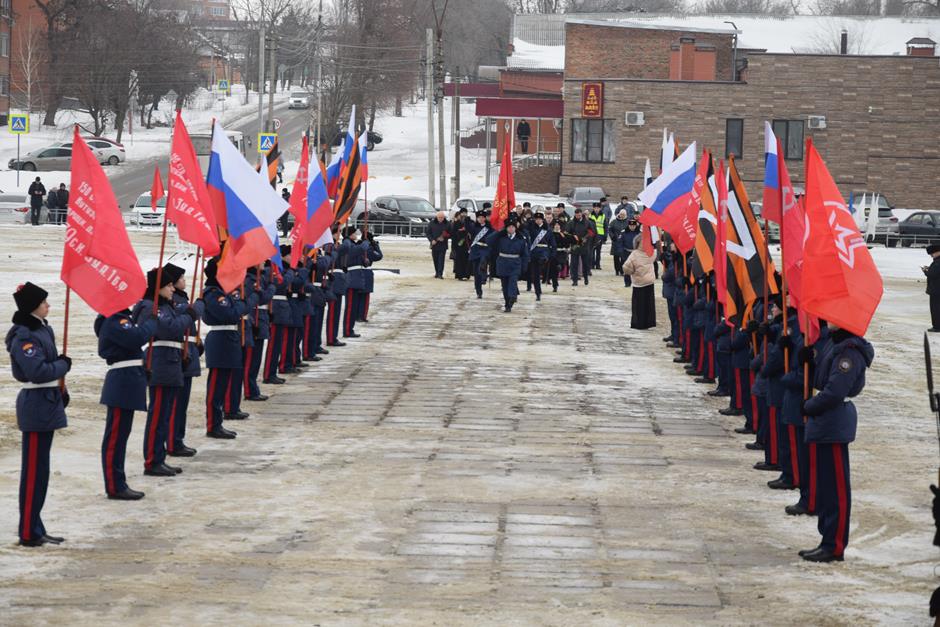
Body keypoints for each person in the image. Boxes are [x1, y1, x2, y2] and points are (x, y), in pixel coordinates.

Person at [799, 322, 874, 562]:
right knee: (826, 486)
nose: (827, 321)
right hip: (825, 423)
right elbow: (822, 377)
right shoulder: (835, 343)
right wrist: (810, 361)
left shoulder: (849, 351)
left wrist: (810, 406)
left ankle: (834, 545)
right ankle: (827, 539)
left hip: (833, 422)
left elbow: (834, 391)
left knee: (836, 489)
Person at [6, 282, 70, 546]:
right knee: (33, 471)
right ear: (33, 306)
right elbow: (38, 371)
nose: (48, 306)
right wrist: (63, 366)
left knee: (41, 471)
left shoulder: (43, 329)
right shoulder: (24, 335)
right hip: (36, 404)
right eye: (44, 302)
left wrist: (60, 387)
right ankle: (28, 532)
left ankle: (35, 526)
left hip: (47, 401)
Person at [133, 268, 196, 477]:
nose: (172, 289)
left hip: (171, 362)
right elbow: (170, 328)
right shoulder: (150, 307)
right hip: (160, 363)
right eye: (168, 286)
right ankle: (152, 460)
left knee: (165, 415)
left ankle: (159, 457)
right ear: (158, 288)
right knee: (158, 415)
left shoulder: (164, 306)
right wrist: (189, 316)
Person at [94, 300, 157, 500]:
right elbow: (135, 338)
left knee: (121, 435)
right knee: (115, 437)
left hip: (128, 379)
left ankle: (118, 482)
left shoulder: (119, 318)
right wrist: (151, 323)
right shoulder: (115, 319)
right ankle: (115, 485)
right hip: (122, 381)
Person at [202, 256, 259, 439]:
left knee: (224, 384)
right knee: (216, 387)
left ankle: (218, 423)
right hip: (220, 340)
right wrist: (244, 303)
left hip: (229, 339)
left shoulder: (222, 291)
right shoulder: (213, 293)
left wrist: (241, 304)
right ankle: (213, 425)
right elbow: (231, 313)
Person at [165, 263, 203, 457]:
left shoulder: (181, 298)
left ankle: (178, 439)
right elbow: (184, 319)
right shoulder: (174, 301)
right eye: (180, 278)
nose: (184, 281)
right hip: (179, 355)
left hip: (188, 353)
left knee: (182, 403)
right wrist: (197, 306)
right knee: (177, 404)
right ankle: (173, 442)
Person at [492, 217, 529, 312]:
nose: (511, 229)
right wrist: (499, 232)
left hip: (515, 264)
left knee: (512, 282)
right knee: (505, 285)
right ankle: (507, 303)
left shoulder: (520, 239)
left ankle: (512, 297)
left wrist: (524, 266)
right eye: (509, 227)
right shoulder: (501, 238)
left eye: (513, 227)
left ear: (515, 228)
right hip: (503, 263)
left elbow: (525, 254)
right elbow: (489, 241)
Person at [621, 235, 656, 329]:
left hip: (639, 282)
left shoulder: (635, 254)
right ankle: (648, 323)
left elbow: (626, 267)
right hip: (649, 281)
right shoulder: (651, 252)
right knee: (648, 304)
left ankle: (638, 323)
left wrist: (631, 272)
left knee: (638, 305)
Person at [526, 212, 554, 302]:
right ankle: (538, 292)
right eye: (536, 219)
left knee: (543, 270)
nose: (538, 221)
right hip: (534, 253)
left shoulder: (547, 229)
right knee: (535, 275)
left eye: (539, 219)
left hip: (544, 253)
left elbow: (552, 243)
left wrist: (552, 255)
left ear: (542, 220)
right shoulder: (531, 228)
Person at [468, 208, 493, 299]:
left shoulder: (489, 228)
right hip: (476, 250)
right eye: (479, 218)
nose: (481, 219)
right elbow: (468, 228)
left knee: (482, 263)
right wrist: (467, 219)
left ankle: (483, 277)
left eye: (483, 217)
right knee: (476, 272)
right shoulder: (474, 227)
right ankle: (478, 291)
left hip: (485, 249)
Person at [566, 208, 593, 286]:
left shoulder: (587, 222)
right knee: (574, 264)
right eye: (577, 215)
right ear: (575, 215)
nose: (578, 216)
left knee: (585, 263)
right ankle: (575, 280)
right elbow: (567, 233)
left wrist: (586, 238)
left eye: (579, 215)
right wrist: (573, 237)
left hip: (584, 246)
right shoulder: (571, 223)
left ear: (582, 214)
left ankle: (586, 278)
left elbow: (591, 232)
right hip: (575, 246)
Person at [426, 211, 450, 279]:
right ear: (437, 217)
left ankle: (440, 274)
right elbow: (428, 233)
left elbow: (451, 233)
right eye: (439, 217)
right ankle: (437, 272)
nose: (441, 219)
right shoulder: (432, 223)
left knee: (441, 260)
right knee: (435, 259)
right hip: (434, 244)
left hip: (443, 245)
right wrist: (431, 240)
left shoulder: (447, 223)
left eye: (442, 217)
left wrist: (445, 237)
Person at [450, 207, 472, 280]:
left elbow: (471, 230)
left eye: (465, 213)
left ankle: (466, 274)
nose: (464, 215)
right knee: (459, 260)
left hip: (467, 244)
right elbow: (453, 233)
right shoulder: (456, 223)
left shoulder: (469, 221)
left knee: (467, 260)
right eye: (462, 213)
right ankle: (459, 275)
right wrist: (460, 231)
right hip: (458, 244)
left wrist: (466, 230)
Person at [924, 244, 940, 331]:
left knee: (935, 309)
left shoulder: (938, 262)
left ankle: (937, 327)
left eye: (932, 254)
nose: (931, 256)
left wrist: (926, 271)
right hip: (936, 289)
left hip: (936, 290)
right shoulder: (936, 261)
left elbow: (932, 274)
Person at [609, 210, 630, 275]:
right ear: (619, 214)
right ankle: (617, 270)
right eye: (621, 214)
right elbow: (610, 230)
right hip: (616, 241)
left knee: (623, 257)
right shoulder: (614, 222)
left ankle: (622, 270)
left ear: (626, 215)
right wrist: (612, 237)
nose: (622, 216)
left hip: (624, 242)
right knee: (616, 257)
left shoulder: (628, 222)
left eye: (623, 214)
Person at [588, 202, 608, 270]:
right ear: (593, 208)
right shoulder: (590, 215)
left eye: (598, 208)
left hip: (600, 235)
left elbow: (605, 226)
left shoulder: (603, 216)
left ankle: (598, 265)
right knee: (592, 251)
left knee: (598, 251)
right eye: (595, 208)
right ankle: (592, 264)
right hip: (592, 235)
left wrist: (605, 235)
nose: (596, 209)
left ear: (600, 208)